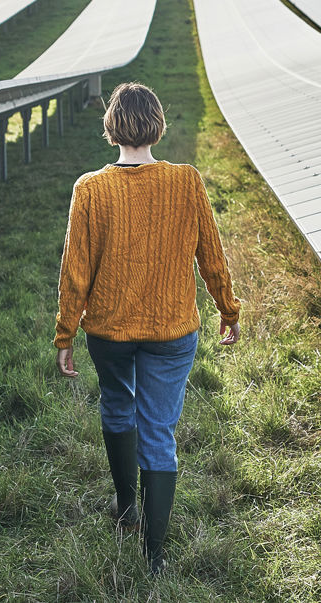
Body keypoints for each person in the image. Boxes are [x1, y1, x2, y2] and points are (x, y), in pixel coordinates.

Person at [53, 81, 241, 576]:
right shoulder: (187, 181)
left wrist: (65, 333)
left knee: (117, 404)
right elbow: (211, 255)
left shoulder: (90, 189)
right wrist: (228, 307)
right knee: (159, 429)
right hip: (172, 329)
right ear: (158, 124)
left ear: (111, 128)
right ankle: (154, 554)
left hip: (109, 331)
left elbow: (75, 269)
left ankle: (126, 507)